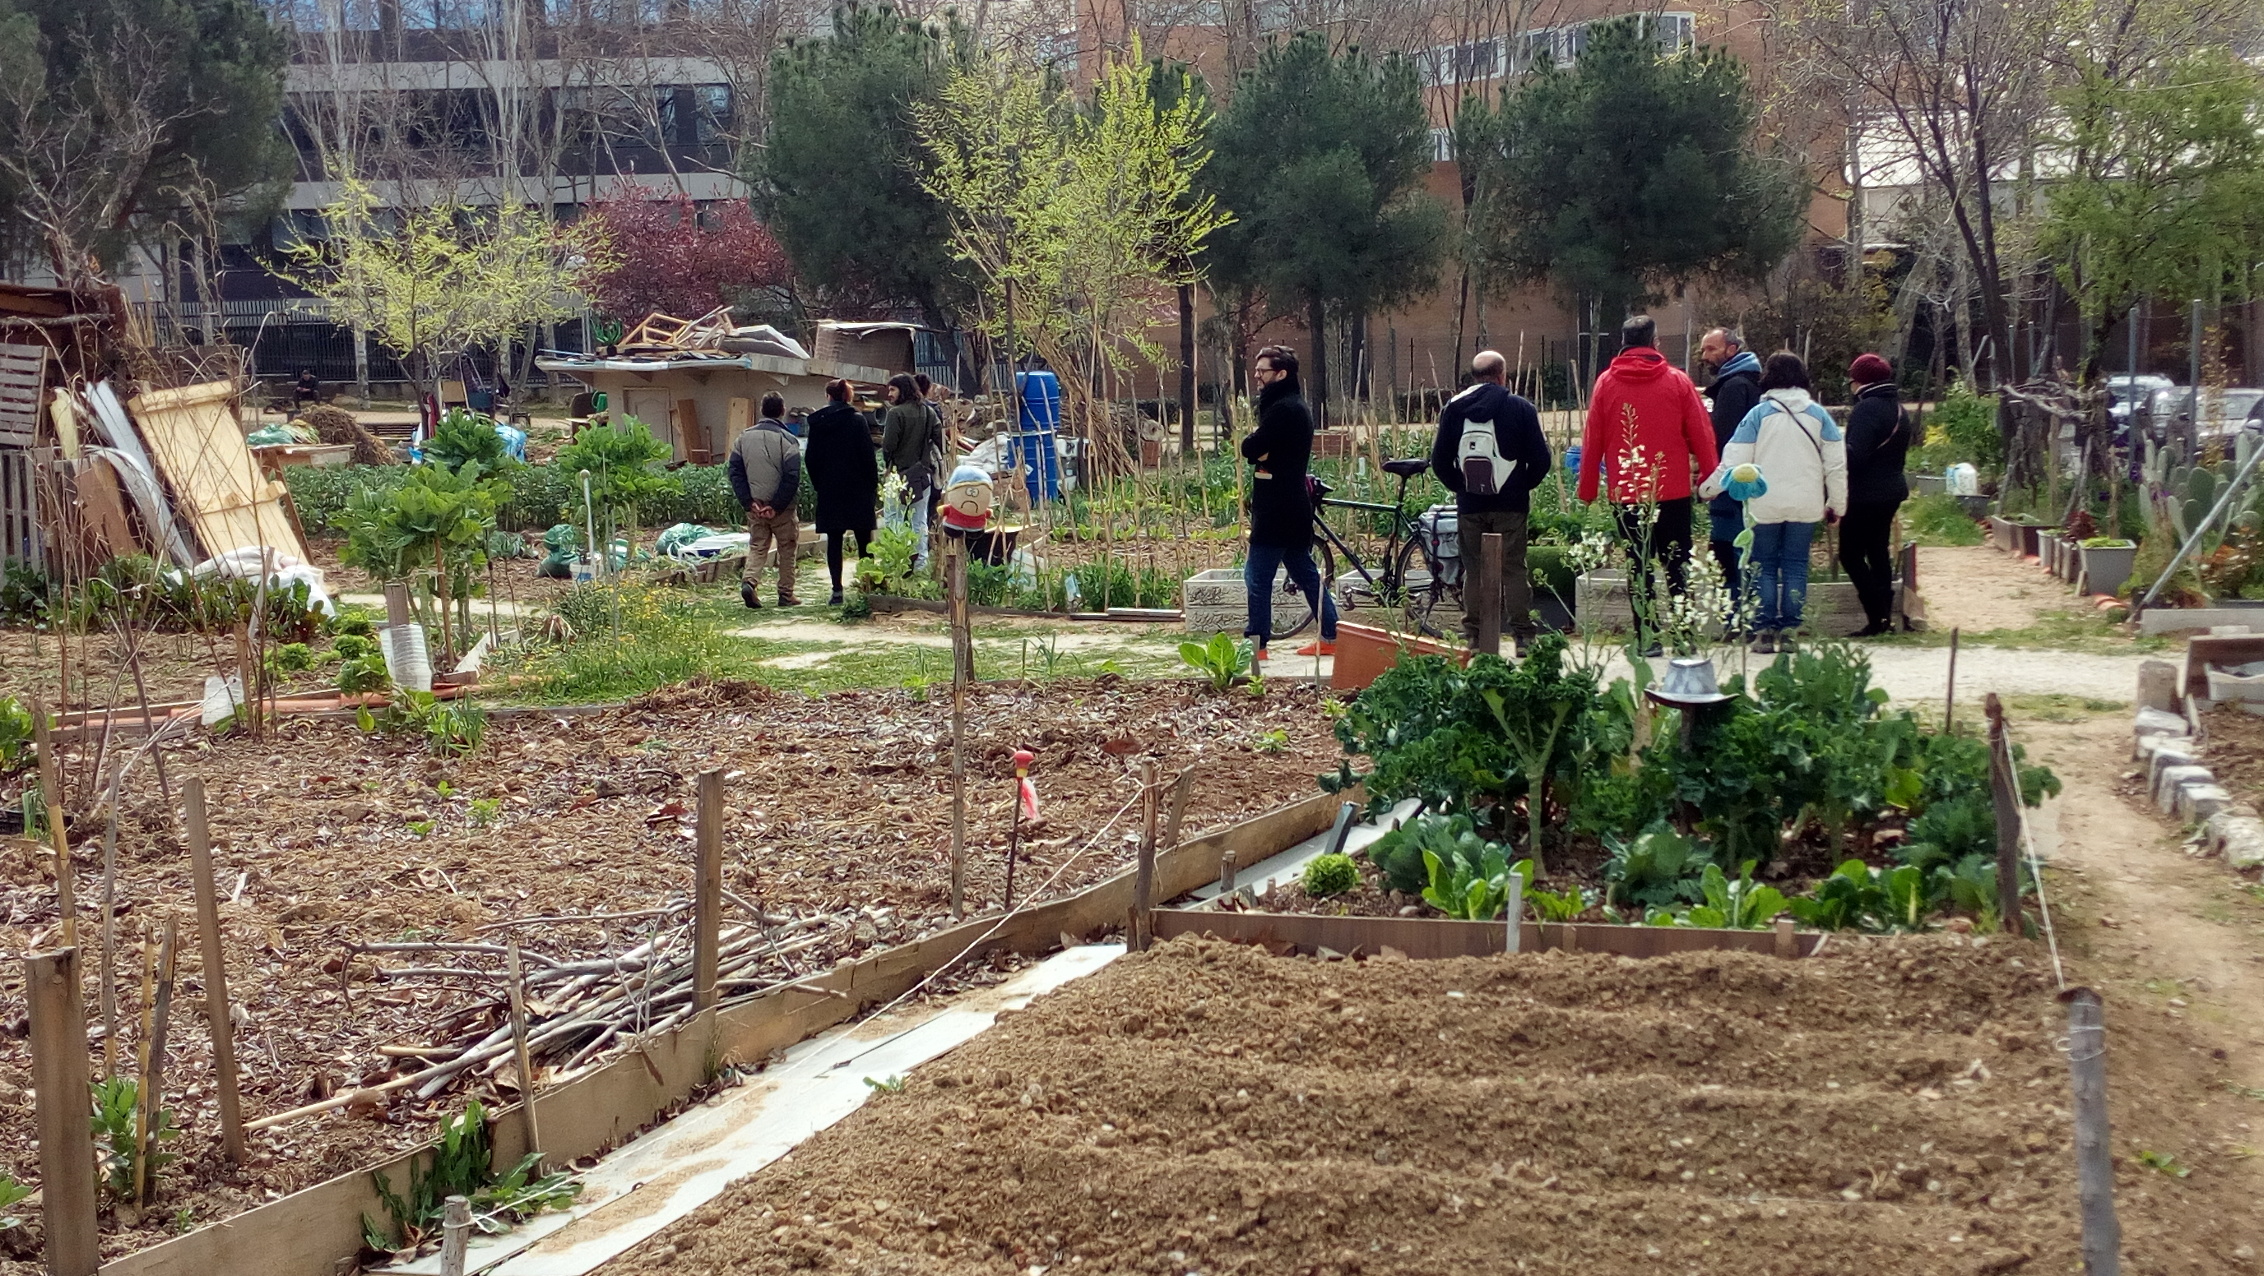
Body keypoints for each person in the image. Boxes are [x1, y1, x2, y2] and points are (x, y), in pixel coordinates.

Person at [1576, 315, 1719, 654]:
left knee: (1638, 565)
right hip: (1673, 490)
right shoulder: (1677, 381)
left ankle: (1647, 636)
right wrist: (1710, 478)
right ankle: (1684, 636)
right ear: (1655, 343)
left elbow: (1593, 439)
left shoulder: (1606, 383)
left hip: (1626, 491)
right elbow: (1701, 433)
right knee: (1678, 564)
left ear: (1623, 343)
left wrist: (1588, 488)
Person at [1699, 352, 1845, 654]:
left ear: (1768, 378)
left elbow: (1733, 461)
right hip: (1806, 503)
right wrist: (1837, 504)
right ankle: (1790, 631)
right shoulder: (1820, 416)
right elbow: (1836, 465)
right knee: (1796, 565)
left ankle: (1764, 630)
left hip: (1763, 502)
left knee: (1763, 565)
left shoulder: (1757, 415)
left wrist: (1708, 489)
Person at [1429, 350, 1552, 654]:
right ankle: (1523, 637)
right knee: (1514, 569)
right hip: (1511, 504)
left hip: (1471, 505)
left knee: (1473, 570)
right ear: (1502, 376)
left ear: (1473, 377)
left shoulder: (1454, 409)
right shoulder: (1521, 408)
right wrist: (1520, 485)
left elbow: (1440, 460)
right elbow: (1541, 459)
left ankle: (1474, 636)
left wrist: (1462, 487)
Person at [1240, 345, 1336, 659]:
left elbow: (1251, 448)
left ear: (1281, 374)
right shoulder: (1293, 406)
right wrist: (1261, 449)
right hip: (1293, 504)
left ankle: (1257, 644)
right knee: (1305, 572)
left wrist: (1258, 448)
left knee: (1257, 576)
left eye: (1262, 371)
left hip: (1276, 509)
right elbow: (1260, 449)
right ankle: (1331, 635)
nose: (1257, 376)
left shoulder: (1283, 410)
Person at [1840, 353, 1910, 636]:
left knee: (1850, 554)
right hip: (1891, 491)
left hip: (1864, 494)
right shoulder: (1898, 408)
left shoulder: (1866, 409)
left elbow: (1855, 456)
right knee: (1878, 551)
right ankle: (1884, 618)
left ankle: (1877, 614)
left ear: (1860, 380)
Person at [1698, 327, 1763, 596]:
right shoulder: (1751, 380)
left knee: (1728, 548)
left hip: (1731, 483)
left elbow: (1723, 438)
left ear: (1732, 349)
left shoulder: (1734, 386)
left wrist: (1710, 481)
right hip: (1751, 479)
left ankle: (1734, 608)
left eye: (1711, 349)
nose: (1705, 356)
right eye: (1703, 350)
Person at [804, 379, 879, 606]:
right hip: (858, 487)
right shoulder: (857, 420)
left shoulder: (818, 423)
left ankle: (837, 590)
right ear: (848, 396)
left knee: (834, 541)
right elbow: (868, 457)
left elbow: (810, 458)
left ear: (828, 396)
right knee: (864, 540)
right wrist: (872, 486)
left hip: (830, 489)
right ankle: (868, 586)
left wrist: (820, 484)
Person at [728, 391, 804, 609]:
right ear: (782, 410)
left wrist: (749, 502)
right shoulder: (787, 440)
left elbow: (735, 472)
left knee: (758, 546)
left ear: (762, 410)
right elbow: (792, 476)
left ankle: (749, 582)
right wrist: (776, 505)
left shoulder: (742, 438)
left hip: (755, 506)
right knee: (787, 548)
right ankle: (786, 593)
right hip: (782, 509)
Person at [879, 373, 941, 570]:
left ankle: (896, 561)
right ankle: (920, 564)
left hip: (898, 474)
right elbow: (939, 438)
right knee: (919, 520)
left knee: (894, 518)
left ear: (903, 390)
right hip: (923, 475)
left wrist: (888, 465)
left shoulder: (895, 414)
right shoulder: (928, 412)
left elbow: (889, 445)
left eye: (893, 389)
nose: (889, 394)